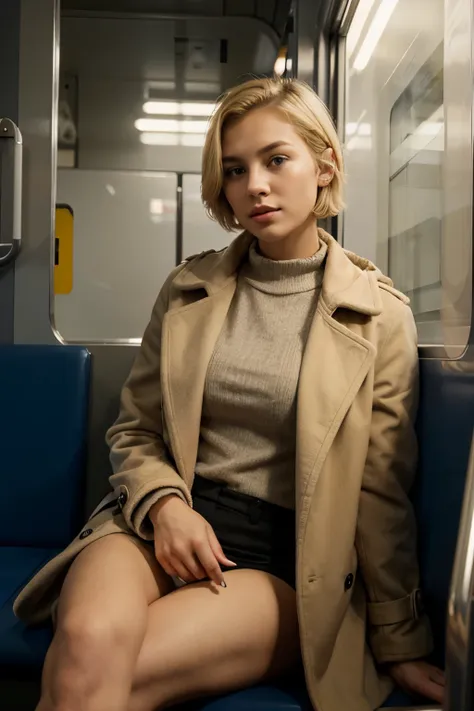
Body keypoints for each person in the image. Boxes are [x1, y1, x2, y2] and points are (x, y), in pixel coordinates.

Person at [14, 77, 445, 711]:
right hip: (156, 520)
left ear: (325, 165)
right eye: (236, 170)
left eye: (277, 160)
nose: (255, 186)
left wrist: (400, 640)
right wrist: (166, 507)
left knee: (97, 681)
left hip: (281, 560)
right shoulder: (190, 288)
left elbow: (380, 493)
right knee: (85, 640)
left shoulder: (378, 314)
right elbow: (135, 429)